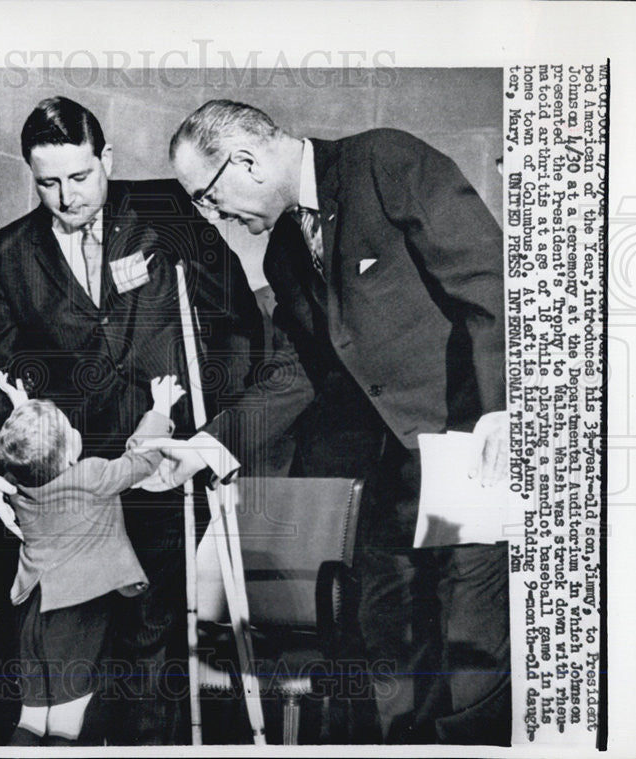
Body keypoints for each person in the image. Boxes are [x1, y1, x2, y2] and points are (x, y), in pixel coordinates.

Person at [152, 100, 511, 744]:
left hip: (467, 449)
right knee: (386, 628)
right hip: (392, 473)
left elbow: (492, 281)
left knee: (467, 634)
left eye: (207, 197)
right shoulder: (286, 254)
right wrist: (209, 446)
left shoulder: (385, 162)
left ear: (247, 161)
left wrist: (499, 411)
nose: (212, 216)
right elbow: (297, 370)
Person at [0, 96, 263, 744]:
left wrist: (217, 431)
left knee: (152, 643)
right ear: (30, 174)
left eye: (80, 176)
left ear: (108, 160)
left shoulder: (168, 213)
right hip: (70, 488)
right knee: (71, 652)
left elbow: (237, 325)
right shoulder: (5, 259)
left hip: (160, 466)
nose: (66, 196)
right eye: (47, 182)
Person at [0, 372, 185, 746]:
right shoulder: (91, 476)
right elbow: (140, 462)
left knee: (32, 717)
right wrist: (160, 408)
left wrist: (21, 409)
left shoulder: (20, 486)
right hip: (78, 615)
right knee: (67, 720)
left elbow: (27, 452)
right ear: (70, 451)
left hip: (32, 613)